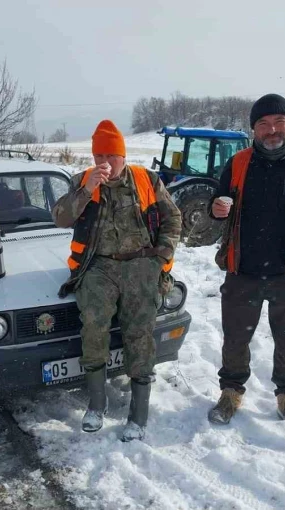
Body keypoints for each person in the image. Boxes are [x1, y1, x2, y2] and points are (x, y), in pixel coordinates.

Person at [207, 93, 285, 424]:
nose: (272, 129)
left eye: (279, 121)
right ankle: (231, 392)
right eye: (263, 124)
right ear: (254, 129)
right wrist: (216, 209)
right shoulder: (238, 163)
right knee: (235, 337)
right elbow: (218, 202)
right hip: (243, 270)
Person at [53, 120, 182, 441]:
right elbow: (60, 218)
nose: (105, 162)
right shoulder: (82, 181)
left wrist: (161, 257)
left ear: (123, 156)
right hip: (98, 267)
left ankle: (138, 415)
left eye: (111, 155)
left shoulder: (146, 179)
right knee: (93, 329)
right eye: (99, 155)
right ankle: (97, 404)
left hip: (142, 266)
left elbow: (173, 217)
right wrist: (86, 190)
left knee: (140, 334)